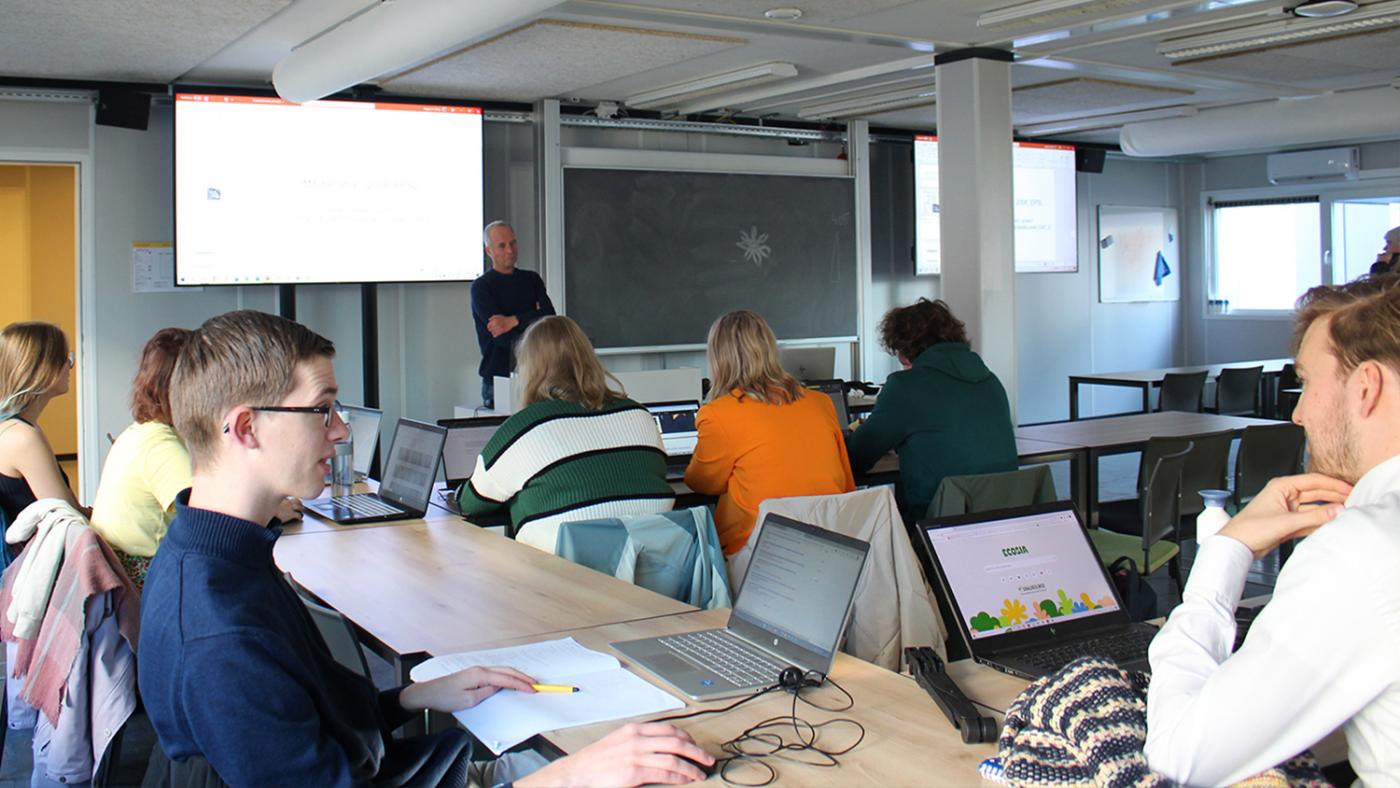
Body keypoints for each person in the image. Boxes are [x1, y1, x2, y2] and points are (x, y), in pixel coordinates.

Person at [139, 309, 710, 787]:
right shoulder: (219, 634)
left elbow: (304, 725)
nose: (341, 430)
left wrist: (414, 698)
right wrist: (568, 778)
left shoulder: (217, 558)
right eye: (323, 409)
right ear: (246, 428)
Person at [1143, 275, 1400, 784]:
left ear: (1366, 387)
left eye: (1305, 384)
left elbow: (1179, 757)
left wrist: (1227, 549)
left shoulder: (1364, 549)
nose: (1299, 414)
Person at [89, 327, 299, 588]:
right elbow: (214, 517)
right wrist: (272, 510)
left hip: (132, 570)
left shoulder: (141, 432)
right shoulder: (160, 446)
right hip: (151, 578)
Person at [459, 316, 675, 551]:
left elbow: (472, 502)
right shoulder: (639, 414)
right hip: (650, 576)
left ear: (529, 368)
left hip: (565, 578)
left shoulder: (526, 427)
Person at [685, 310, 854, 555]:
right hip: (829, 545)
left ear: (718, 358)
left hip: (758, 552)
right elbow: (846, 484)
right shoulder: (821, 402)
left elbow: (703, 482)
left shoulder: (718, 414)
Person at [844, 299, 1017, 518]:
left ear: (906, 349)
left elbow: (857, 457)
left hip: (939, 522)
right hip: (1005, 517)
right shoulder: (991, 380)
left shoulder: (905, 386)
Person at [0, 321, 85, 526]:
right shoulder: (22, 437)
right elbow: (68, 518)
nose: (70, 366)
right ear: (42, 368)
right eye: (65, 359)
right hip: (29, 556)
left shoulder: (22, 428)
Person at [471, 220, 555, 410]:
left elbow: (549, 317)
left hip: (539, 375)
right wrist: (532, 317)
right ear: (489, 251)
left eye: (513, 243)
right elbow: (501, 336)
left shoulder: (531, 279)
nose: (510, 250)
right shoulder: (482, 287)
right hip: (499, 378)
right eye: (502, 245)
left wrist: (513, 320)